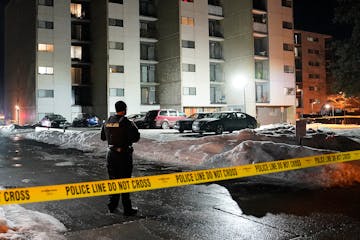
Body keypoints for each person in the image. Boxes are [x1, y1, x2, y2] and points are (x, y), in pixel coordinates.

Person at [101, 100, 140, 216]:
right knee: (125, 181)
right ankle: (127, 208)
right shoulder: (127, 122)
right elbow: (135, 137)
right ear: (125, 109)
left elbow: (103, 137)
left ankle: (112, 206)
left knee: (113, 180)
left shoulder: (108, 121)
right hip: (123, 155)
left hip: (111, 154)